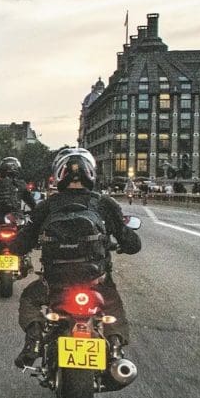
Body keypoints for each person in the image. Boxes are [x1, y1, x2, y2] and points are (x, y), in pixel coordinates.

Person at [9, 147, 142, 369]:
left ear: (58, 174)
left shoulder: (46, 205)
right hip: (95, 280)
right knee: (113, 305)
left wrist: (20, 246)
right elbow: (133, 244)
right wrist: (123, 242)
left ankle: (34, 339)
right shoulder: (104, 204)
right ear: (91, 173)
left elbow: (20, 244)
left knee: (30, 299)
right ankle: (115, 347)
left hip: (54, 282)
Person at [0, 157, 37, 266]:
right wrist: (33, 211)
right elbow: (32, 203)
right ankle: (25, 258)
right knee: (26, 234)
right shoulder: (22, 184)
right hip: (16, 218)